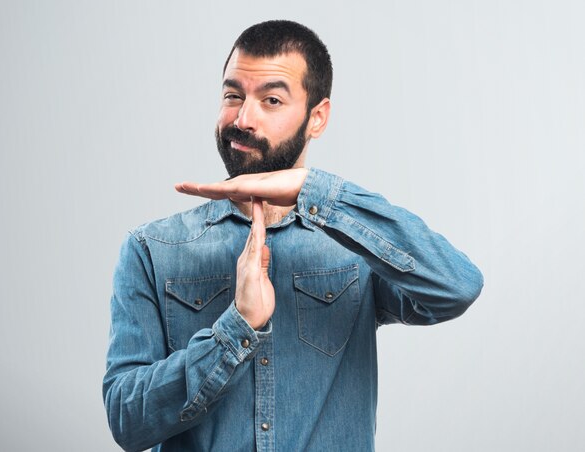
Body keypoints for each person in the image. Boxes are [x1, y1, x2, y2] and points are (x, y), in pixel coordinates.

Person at [103, 20, 483, 452]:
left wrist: (313, 190)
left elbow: (458, 286)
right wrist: (236, 328)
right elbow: (126, 420)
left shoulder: (354, 248)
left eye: (271, 100)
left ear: (316, 117)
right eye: (233, 96)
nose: (243, 118)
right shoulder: (152, 250)